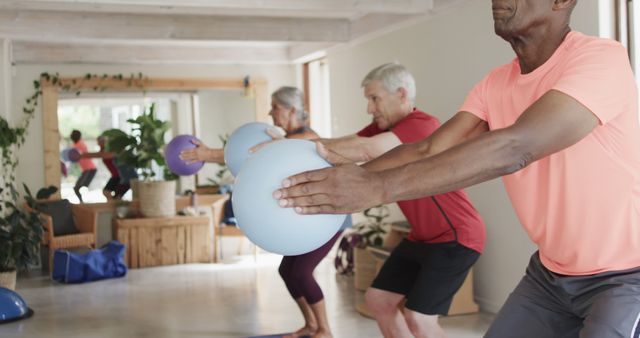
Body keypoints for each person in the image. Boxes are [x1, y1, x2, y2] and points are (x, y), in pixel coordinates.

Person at [275, 1, 640, 337]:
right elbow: (429, 148)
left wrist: (375, 188)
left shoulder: (601, 59)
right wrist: (353, 182)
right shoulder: (496, 83)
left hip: (627, 277)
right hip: (550, 275)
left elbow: (518, 146)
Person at [275, 64, 484, 338]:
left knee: (419, 317)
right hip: (422, 238)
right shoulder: (381, 128)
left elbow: (366, 149)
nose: (369, 108)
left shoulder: (421, 125)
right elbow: (344, 142)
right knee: (379, 300)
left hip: (456, 236)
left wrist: (288, 146)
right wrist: (290, 146)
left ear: (401, 94)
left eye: (374, 99)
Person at [180, 86, 344, 338]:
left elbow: (250, 154)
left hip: (328, 218)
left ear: (291, 110)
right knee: (286, 272)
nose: (270, 112)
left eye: (275, 107)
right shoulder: (284, 138)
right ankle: (311, 325)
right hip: (308, 216)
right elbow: (247, 157)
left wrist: (205, 154)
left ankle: (325, 329)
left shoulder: (305, 138)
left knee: (300, 272)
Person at [80, 135, 133, 200]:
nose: (101, 143)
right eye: (99, 141)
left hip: (120, 177)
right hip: (115, 176)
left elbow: (100, 155)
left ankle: (117, 206)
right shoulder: (103, 150)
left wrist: (81, 155)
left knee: (113, 195)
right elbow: (99, 154)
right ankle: (115, 206)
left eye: (103, 141)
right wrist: (82, 155)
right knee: (107, 193)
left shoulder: (112, 151)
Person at [70, 129, 97, 204]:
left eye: (73, 134)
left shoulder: (80, 144)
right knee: (77, 188)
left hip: (90, 169)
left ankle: (84, 202)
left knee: (80, 187)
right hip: (86, 169)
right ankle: (82, 203)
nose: (71, 136)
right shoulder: (76, 145)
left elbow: (79, 155)